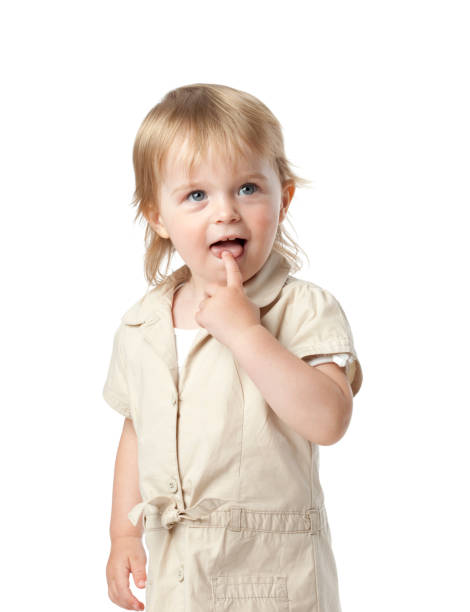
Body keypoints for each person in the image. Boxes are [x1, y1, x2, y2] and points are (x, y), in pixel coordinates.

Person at [103, 83, 363, 612]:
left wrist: (246, 333)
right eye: (197, 195)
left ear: (283, 197)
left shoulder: (301, 308)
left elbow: (330, 419)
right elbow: (136, 431)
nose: (226, 212)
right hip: (178, 573)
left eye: (247, 188)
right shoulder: (141, 324)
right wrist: (123, 537)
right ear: (158, 216)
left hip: (274, 576)